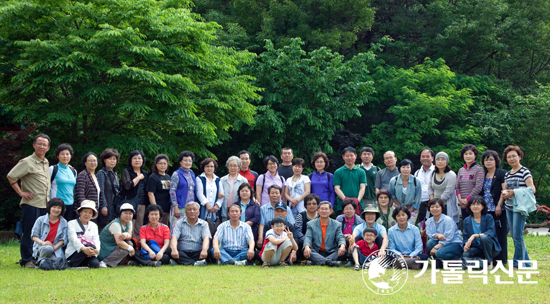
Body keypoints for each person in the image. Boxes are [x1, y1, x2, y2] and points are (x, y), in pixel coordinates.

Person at [7, 134, 51, 268]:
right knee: (30, 232)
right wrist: (21, 192)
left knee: (41, 232)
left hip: (44, 204)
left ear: (48, 148)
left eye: (44, 145)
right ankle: (26, 260)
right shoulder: (27, 161)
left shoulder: (46, 162)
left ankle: (36, 257)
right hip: (31, 204)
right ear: (34, 145)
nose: (41, 147)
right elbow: (11, 176)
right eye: (39, 143)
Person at [501, 145, 536, 268]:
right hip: (509, 207)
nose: (511, 159)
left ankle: (518, 263)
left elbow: (532, 189)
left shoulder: (525, 171)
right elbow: (506, 190)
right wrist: (505, 194)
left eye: (514, 156)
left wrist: (514, 192)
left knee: (517, 235)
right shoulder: (508, 174)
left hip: (520, 207)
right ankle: (525, 263)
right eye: (509, 157)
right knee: (515, 235)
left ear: (519, 156)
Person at [480, 150, 508, 265]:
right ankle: (490, 259)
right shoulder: (483, 174)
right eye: (486, 160)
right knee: (488, 234)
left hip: (498, 209)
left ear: (496, 161)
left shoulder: (501, 173)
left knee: (500, 234)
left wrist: (499, 205)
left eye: (491, 159)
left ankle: (501, 260)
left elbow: (504, 190)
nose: (488, 162)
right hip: (486, 210)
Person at [462, 196, 501, 268]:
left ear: (482, 206)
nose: (475, 206)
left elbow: (491, 232)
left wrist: (475, 235)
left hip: (490, 248)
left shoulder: (488, 217)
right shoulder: (466, 221)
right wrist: (466, 245)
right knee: (465, 255)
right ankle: (482, 263)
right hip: (476, 248)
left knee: (484, 238)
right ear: (470, 206)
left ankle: (490, 262)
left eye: (478, 204)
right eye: (473, 204)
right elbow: (465, 236)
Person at [303, 201, 346, 266]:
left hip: (331, 252)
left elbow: (340, 237)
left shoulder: (336, 224)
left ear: (331, 211)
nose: (324, 211)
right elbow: (307, 237)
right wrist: (306, 247)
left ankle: (318, 261)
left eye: (326, 209)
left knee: (342, 250)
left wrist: (342, 246)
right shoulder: (311, 224)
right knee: (308, 250)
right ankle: (328, 262)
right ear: (318, 211)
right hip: (317, 252)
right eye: (322, 209)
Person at [98, 203, 142, 267]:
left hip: (115, 246)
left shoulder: (129, 222)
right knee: (126, 248)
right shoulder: (116, 224)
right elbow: (119, 242)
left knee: (129, 243)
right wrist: (131, 249)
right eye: (125, 213)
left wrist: (126, 234)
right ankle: (104, 262)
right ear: (120, 213)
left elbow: (129, 236)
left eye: (130, 213)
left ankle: (119, 263)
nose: (128, 215)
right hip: (106, 248)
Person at [170, 202, 210, 266]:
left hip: (198, 253)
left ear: (198, 212)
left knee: (209, 251)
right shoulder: (179, 223)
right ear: (185, 213)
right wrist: (174, 250)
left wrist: (204, 250)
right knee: (170, 251)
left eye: (194, 209)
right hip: (182, 252)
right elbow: (174, 237)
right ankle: (195, 263)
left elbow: (206, 238)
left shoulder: (204, 224)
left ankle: (181, 262)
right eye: (189, 209)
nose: (192, 211)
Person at [120, 150, 149, 239]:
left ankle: (137, 246)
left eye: (139, 158)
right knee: (129, 224)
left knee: (139, 226)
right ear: (131, 160)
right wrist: (139, 177)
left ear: (143, 160)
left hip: (142, 203)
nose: (137, 160)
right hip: (129, 202)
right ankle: (128, 245)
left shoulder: (146, 173)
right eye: (134, 158)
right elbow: (128, 186)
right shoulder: (127, 171)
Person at [30, 198, 68, 266]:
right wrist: (43, 243)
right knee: (48, 249)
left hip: (56, 249)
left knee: (57, 261)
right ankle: (40, 262)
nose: (56, 210)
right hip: (42, 247)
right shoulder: (40, 220)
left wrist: (54, 248)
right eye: (54, 207)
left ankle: (43, 262)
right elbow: (34, 236)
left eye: (59, 208)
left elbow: (63, 239)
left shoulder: (64, 222)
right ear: (49, 208)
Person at [257, 185, 296, 249]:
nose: (274, 195)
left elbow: (291, 225)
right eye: (272, 193)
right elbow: (261, 224)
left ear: (280, 195)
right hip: (268, 234)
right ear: (268, 195)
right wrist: (260, 238)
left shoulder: (287, 208)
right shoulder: (263, 208)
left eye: (277, 193)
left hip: (283, 235)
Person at [66, 200, 100, 268]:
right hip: (75, 252)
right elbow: (73, 239)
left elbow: (96, 240)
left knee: (95, 264)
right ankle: (70, 263)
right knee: (91, 246)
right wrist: (83, 248)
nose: (87, 214)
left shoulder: (94, 225)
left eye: (90, 213)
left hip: (89, 252)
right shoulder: (71, 223)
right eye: (85, 211)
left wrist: (96, 251)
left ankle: (74, 264)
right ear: (80, 212)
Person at [333, 147, 367, 215]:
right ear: (343, 157)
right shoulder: (338, 172)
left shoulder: (361, 172)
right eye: (347, 156)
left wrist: (357, 200)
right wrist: (345, 200)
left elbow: (362, 188)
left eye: (351, 155)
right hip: (342, 205)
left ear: (356, 156)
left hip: (358, 205)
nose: (349, 158)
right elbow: (337, 188)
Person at [388, 159, 422, 224]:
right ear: (399, 169)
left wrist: (410, 209)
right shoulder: (394, 180)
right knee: (396, 226)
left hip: (412, 208)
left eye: (408, 167)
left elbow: (418, 197)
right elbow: (391, 195)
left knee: (409, 226)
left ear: (411, 169)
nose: (405, 169)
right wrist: (400, 206)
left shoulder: (416, 181)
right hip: (397, 207)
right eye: (403, 167)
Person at [428, 152, 459, 224]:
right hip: (434, 206)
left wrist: (438, 204)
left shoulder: (451, 174)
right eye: (438, 159)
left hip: (446, 205)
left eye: (443, 159)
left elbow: (448, 191)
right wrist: (433, 202)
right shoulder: (433, 173)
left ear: (447, 161)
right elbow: (429, 188)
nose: (440, 162)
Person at [456, 144, 484, 221]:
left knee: (474, 223)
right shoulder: (461, 170)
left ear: (475, 155)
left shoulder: (479, 169)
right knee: (466, 224)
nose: (468, 156)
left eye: (470, 153)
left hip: (475, 203)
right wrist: (460, 199)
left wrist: (467, 199)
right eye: (466, 154)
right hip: (462, 204)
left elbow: (478, 187)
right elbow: (457, 186)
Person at [169, 151, 198, 228]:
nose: (188, 162)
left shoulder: (192, 173)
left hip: (190, 208)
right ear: (180, 162)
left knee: (188, 228)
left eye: (190, 161)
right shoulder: (176, 174)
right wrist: (175, 207)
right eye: (185, 160)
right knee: (176, 228)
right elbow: (172, 191)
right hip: (180, 206)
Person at [49, 143, 77, 221]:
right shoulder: (53, 169)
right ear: (58, 156)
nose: (65, 156)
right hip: (56, 206)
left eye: (67, 154)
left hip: (70, 205)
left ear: (70, 156)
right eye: (62, 154)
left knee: (68, 230)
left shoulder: (73, 171)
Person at [74, 152, 104, 223]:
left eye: (94, 160)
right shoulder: (82, 175)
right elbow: (80, 194)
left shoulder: (95, 176)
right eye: (90, 160)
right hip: (85, 213)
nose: (93, 162)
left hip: (93, 212)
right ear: (85, 163)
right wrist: (86, 211)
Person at [97, 149, 120, 231]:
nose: (112, 161)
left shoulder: (115, 173)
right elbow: (101, 190)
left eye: (114, 159)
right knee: (104, 227)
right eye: (110, 159)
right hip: (106, 205)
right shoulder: (102, 173)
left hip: (114, 205)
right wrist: (104, 206)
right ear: (104, 160)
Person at [220, 156, 248, 222]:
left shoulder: (243, 180)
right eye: (230, 165)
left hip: (237, 210)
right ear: (228, 167)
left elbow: (248, 193)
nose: (232, 168)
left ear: (239, 167)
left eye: (235, 165)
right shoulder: (222, 180)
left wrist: (254, 200)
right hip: (225, 210)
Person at [146, 154, 171, 226]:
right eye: (160, 163)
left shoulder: (168, 177)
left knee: (164, 227)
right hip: (157, 208)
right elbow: (150, 193)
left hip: (167, 208)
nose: (162, 165)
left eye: (164, 163)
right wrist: (155, 208)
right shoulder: (153, 177)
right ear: (156, 165)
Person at [414, 148, 435, 224]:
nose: (425, 158)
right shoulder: (417, 173)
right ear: (420, 158)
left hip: (433, 205)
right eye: (423, 156)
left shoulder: (436, 171)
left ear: (432, 158)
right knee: (422, 229)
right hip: (420, 206)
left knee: (433, 227)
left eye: (427, 156)